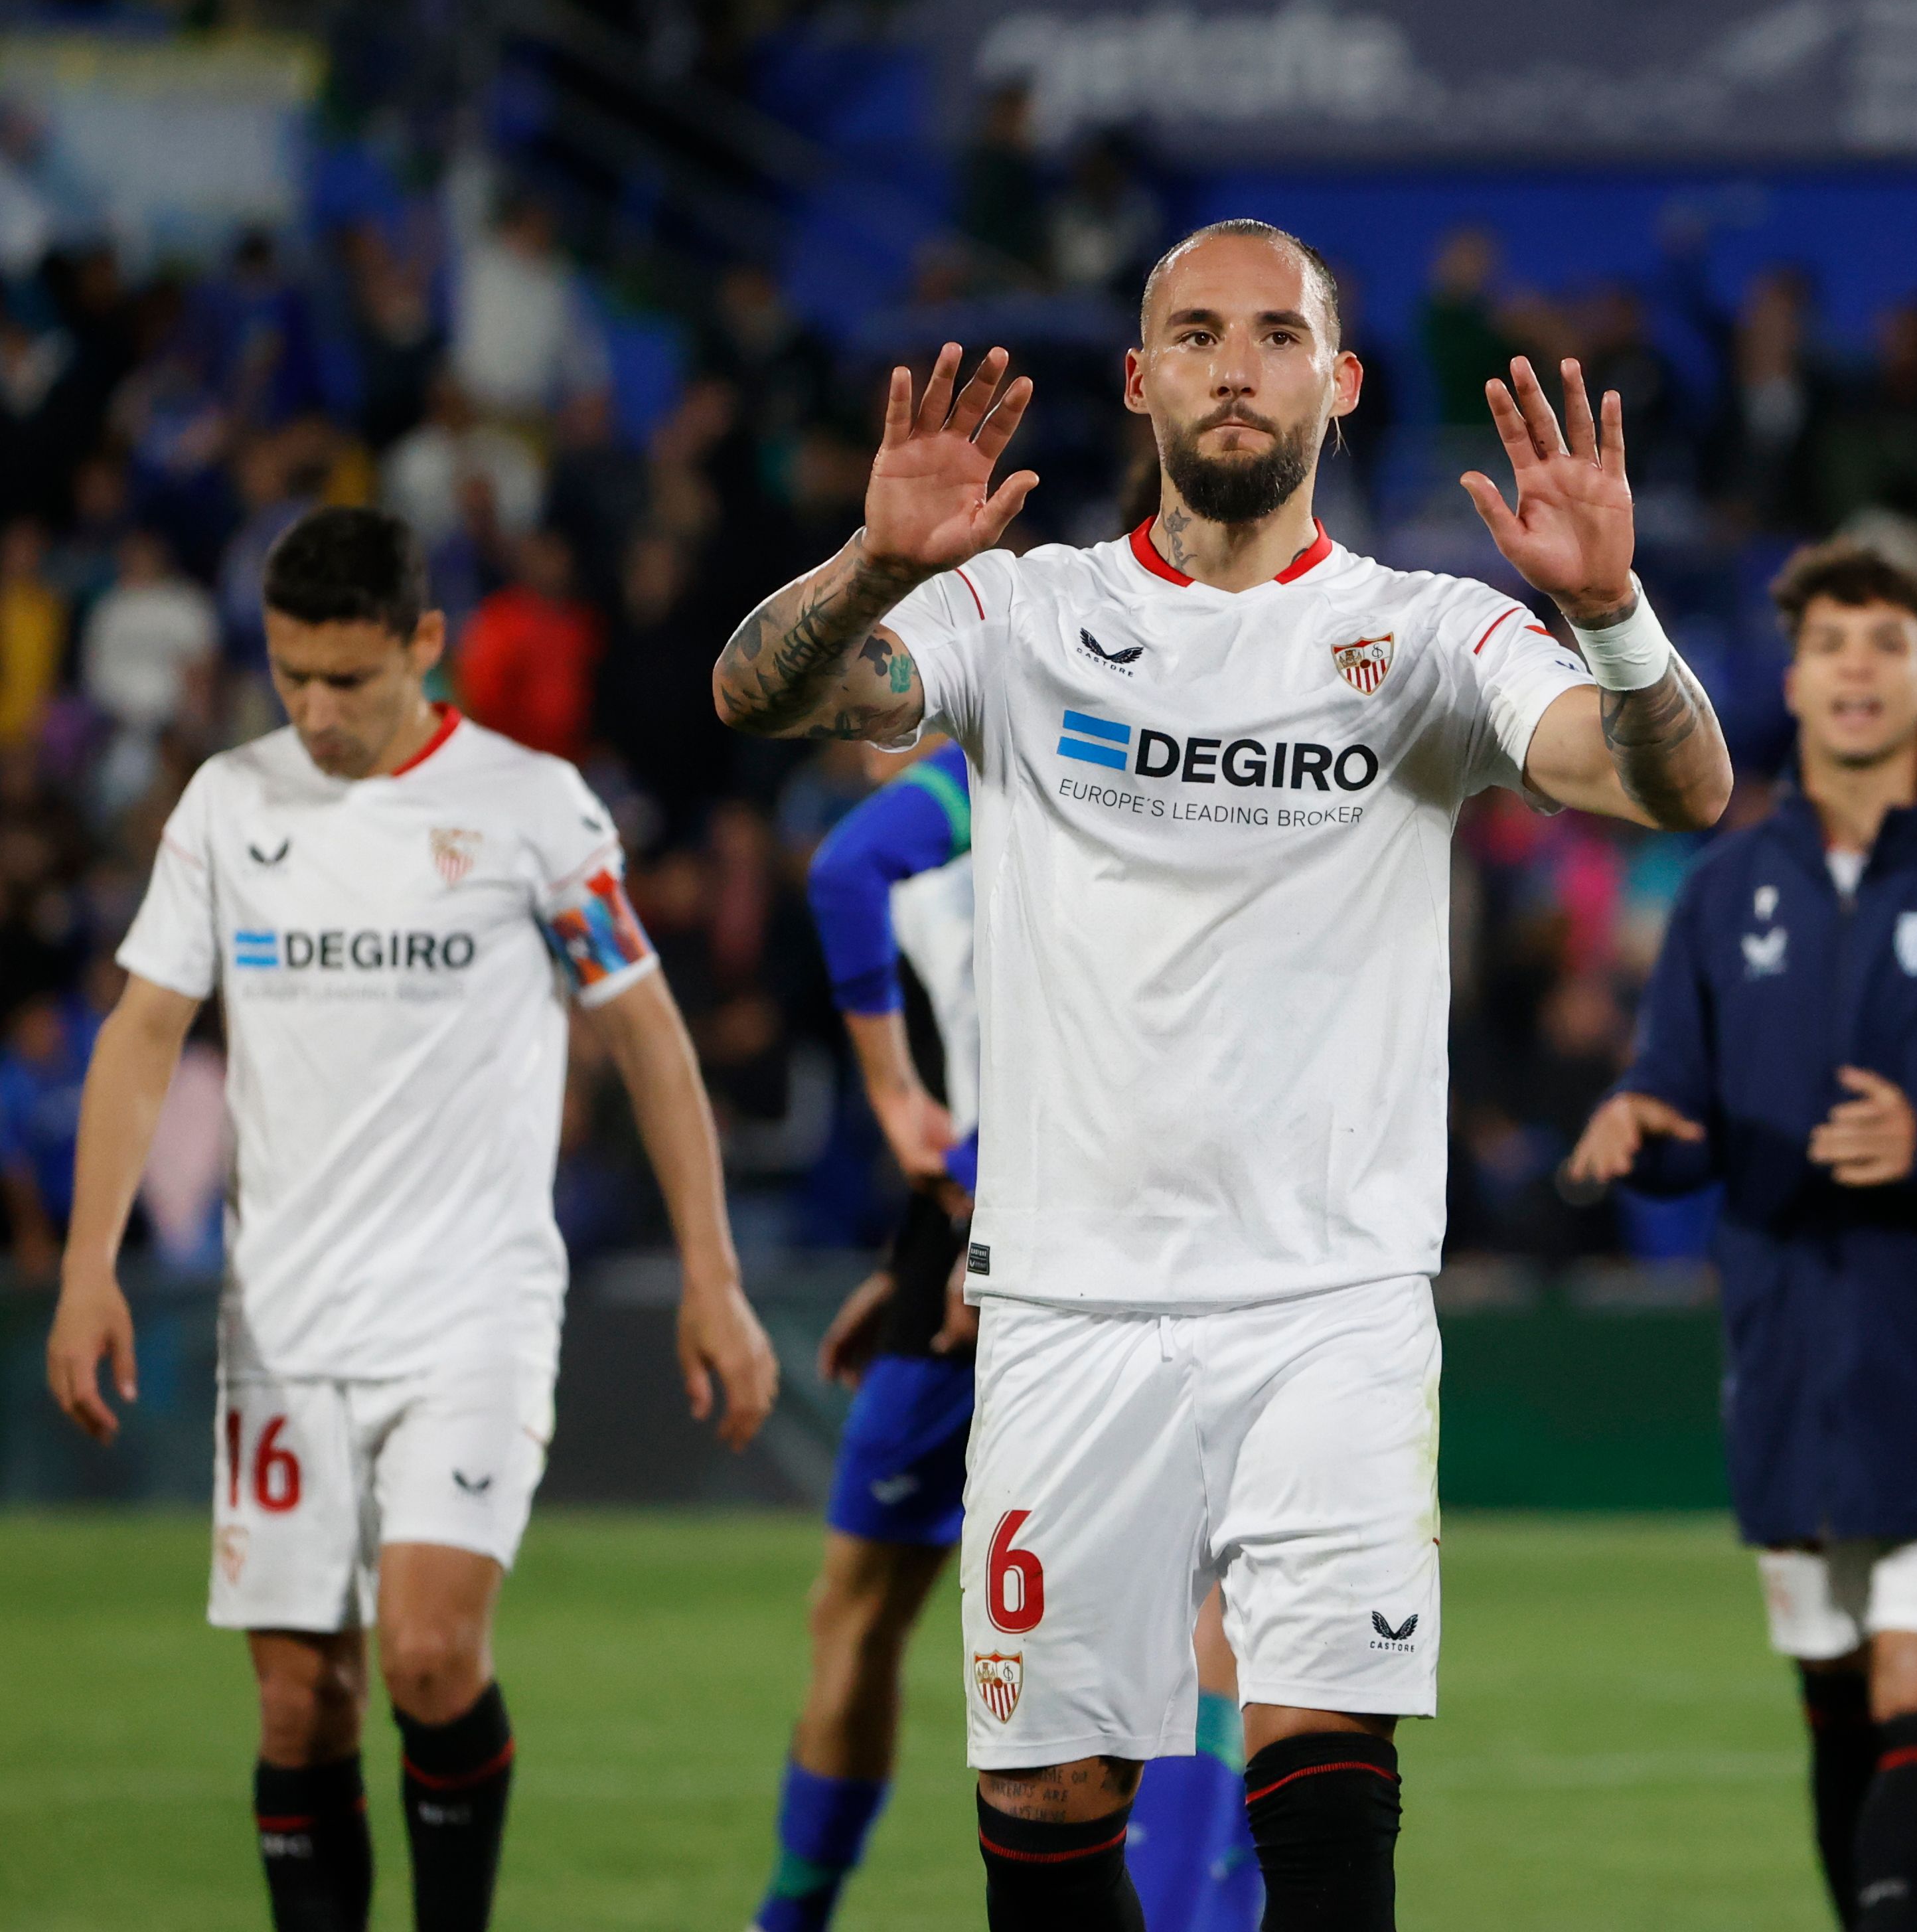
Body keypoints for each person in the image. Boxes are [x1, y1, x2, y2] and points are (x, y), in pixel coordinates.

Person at [711, 219, 1734, 1929]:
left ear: (1336, 383)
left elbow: (1670, 788)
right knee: (1046, 1805)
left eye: (1275, 334)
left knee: (1320, 1773)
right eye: (1195, 332)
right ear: (1139, 379)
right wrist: (870, 568)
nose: (1233, 363)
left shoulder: (1427, 638)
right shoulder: (1021, 612)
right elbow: (767, 695)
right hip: (1065, 1306)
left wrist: (1616, 614)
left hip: (1325, 1301)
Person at [44, 505, 779, 1932]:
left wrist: (715, 1276)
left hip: (472, 1311)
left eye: (349, 680)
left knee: (430, 1658)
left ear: (425, 645)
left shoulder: (528, 809)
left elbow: (649, 1041)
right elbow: (142, 1035)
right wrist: (89, 1266)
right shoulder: (228, 806)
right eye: (291, 676)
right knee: (298, 1698)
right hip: (285, 1321)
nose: (315, 713)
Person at [1563, 537, 1917, 1932]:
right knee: (1837, 1698)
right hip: (1790, 1348)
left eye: (1885, 642)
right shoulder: (1726, 891)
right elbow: (1680, 1102)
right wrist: (1642, 1133)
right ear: (1788, 680)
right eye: (1831, 644)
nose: (1856, 667)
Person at [751, 740, 1261, 1932]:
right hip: (1058, 1224)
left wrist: (897, 1106)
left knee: (864, 1612)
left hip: (1013, 1221)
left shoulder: (989, 774)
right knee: (1207, 1607)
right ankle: (1194, 1913)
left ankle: (788, 1920)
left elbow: (843, 873)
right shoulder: (1126, 780)